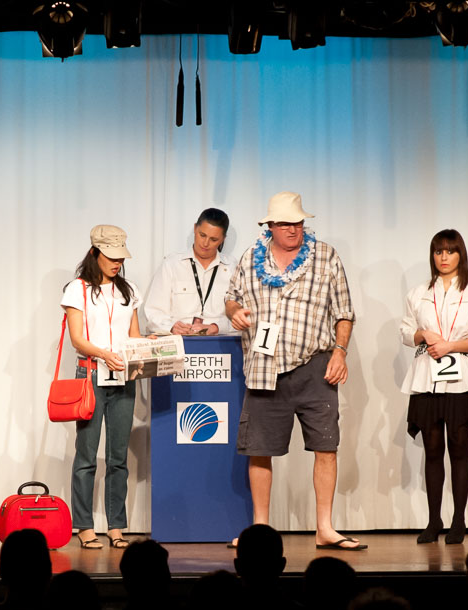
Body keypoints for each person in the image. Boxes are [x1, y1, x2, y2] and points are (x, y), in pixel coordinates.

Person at [225, 191, 364, 550]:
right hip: (264, 366)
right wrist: (234, 312)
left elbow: (344, 312)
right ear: (270, 226)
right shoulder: (251, 258)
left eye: (298, 223)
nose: (293, 229)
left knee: (326, 446)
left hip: (315, 365)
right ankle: (260, 529)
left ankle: (325, 528)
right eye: (285, 223)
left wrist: (340, 352)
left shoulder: (326, 256)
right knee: (260, 449)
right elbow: (231, 297)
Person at [400, 229, 468, 544]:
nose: (443, 257)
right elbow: (405, 331)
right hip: (427, 378)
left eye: (450, 251)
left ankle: (458, 520)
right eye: (438, 251)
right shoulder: (418, 293)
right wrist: (423, 335)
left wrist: (450, 345)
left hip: (461, 380)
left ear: (460, 255)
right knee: (432, 450)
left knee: (459, 448)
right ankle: (433, 520)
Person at [60, 224, 147, 550]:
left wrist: (146, 348)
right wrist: (103, 353)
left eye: (120, 257)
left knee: (118, 457)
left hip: (123, 378)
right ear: (94, 253)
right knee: (86, 455)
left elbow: (134, 335)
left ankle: (116, 525)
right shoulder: (77, 289)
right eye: (111, 257)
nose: (117, 263)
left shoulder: (129, 290)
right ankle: (83, 525)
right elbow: (77, 339)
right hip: (91, 376)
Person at [144, 207, 236, 336]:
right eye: (202, 235)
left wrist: (217, 327)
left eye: (213, 239)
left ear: (223, 239)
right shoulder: (171, 264)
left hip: (220, 343)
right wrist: (171, 327)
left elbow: (244, 317)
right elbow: (154, 312)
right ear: (195, 228)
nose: (205, 243)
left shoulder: (233, 268)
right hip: (179, 341)